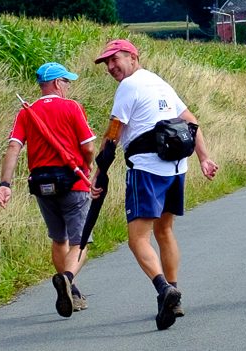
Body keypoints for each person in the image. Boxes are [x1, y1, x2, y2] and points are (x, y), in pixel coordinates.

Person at [94, 39, 220, 330]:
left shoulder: (128, 86)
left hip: (147, 169)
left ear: (133, 57)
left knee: (137, 238)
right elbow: (191, 120)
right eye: (107, 63)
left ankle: (164, 290)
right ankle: (174, 296)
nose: (112, 67)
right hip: (176, 168)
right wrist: (204, 158)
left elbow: (114, 131)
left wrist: (98, 172)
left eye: (116, 59)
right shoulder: (159, 83)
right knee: (165, 230)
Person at [0, 62, 99, 318]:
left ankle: (71, 292)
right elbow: (87, 147)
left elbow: (13, 148)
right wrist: (87, 168)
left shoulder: (26, 113)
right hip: (72, 183)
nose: (68, 86)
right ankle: (67, 277)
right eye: (66, 81)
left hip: (42, 186)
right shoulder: (71, 107)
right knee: (81, 241)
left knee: (58, 238)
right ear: (55, 83)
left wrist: (5, 184)